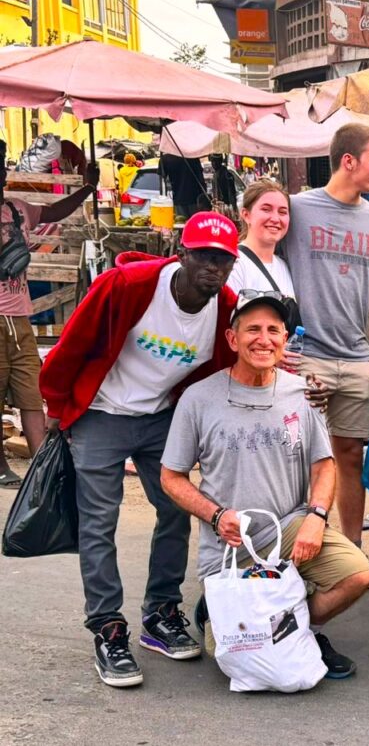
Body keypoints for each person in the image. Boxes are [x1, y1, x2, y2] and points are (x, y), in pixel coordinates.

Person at [38, 211, 239, 688]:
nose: (213, 268)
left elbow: (222, 368)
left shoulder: (225, 306)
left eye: (224, 260)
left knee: (175, 508)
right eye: (204, 256)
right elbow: (73, 344)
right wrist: (56, 408)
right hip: (102, 412)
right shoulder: (127, 286)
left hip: (160, 417)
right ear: (182, 253)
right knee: (99, 520)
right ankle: (107, 627)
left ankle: (160, 612)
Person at [160, 290, 369, 680]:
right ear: (232, 339)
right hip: (230, 547)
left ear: (285, 339)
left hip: (289, 528)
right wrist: (215, 513)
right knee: (225, 656)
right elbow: (170, 477)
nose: (264, 339)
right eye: (252, 329)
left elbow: (325, 465)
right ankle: (227, 610)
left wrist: (316, 516)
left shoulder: (301, 394)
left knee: (356, 573)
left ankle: (300, 631)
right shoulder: (199, 398)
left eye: (274, 330)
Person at [281, 124, 369, 581]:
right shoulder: (298, 209)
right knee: (295, 454)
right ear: (349, 161)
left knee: (349, 455)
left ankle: (351, 552)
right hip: (303, 355)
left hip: (355, 356)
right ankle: (292, 545)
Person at [0, 140, 100, 488]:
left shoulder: (16, 209)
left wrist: (87, 187)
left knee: (30, 391)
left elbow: (53, 213)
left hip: (20, 317)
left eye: (1, 167)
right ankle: (1, 467)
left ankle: (42, 471)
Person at [226, 180, 295, 297]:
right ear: (246, 215)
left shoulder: (283, 266)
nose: (275, 219)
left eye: (282, 212)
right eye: (266, 209)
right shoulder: (233, 265)